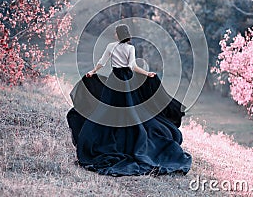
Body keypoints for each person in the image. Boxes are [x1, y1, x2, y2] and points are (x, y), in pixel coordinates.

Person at [66, 24, 191, 176]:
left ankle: (113, 138)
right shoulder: (130, 48)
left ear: (117, 35)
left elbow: (102, 62)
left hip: (114, 80)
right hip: (127, 79)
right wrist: (147, 73)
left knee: (108, 109)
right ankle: (130, 138)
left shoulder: (111, 46)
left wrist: (93, 72)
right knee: (130, 110)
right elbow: (132, 66)